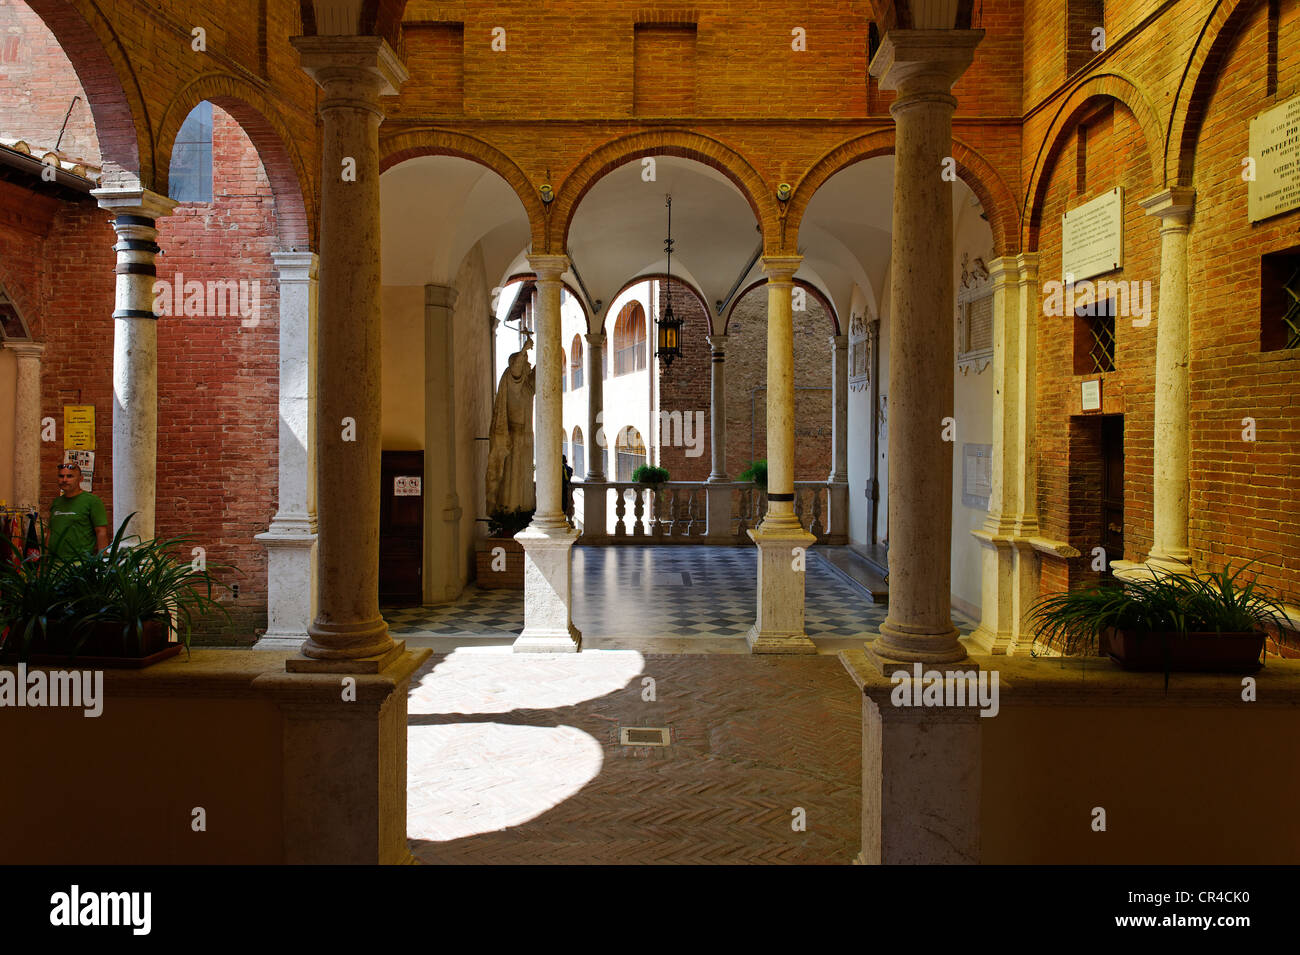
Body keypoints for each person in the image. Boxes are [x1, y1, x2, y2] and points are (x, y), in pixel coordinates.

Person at [47, 461, 109, 559]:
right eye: (61, 476)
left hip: (80, 564)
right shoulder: (56, 502)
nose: (64, 480)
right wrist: (44, 562)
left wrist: (103, 560)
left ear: (80, 479)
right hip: (54, 565)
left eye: (70, 476)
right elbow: (50, 532)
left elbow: (101, 531)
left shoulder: (92, 501)